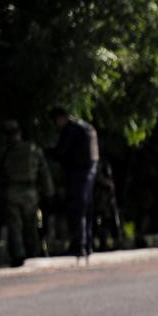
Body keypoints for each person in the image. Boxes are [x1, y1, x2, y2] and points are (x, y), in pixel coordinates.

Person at [0, 119, 53, 266]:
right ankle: (32, 253)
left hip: (12, 191)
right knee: (30, 224)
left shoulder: (5, 151)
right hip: (30, 192)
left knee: (15, 226)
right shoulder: (32, 149)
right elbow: (44, 173)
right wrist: (49, 193)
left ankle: (19, 255)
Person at [47, 107, 99, 258]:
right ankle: (87, 245)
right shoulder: (84, 127)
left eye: (56, 120)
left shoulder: (71, 130)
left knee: (77, 210)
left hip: (78, 175)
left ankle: (79, 246)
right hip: (89, 173)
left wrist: (48, 152)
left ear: (61, 117)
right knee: (85, 210)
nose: (56, 125)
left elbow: (61, 152)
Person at [93, 160, 123, 251]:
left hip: (107, 201)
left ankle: (110, 242)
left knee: (109, 221)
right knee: (102, 222)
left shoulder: (105, 165)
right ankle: (102, 242)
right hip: (101, 201)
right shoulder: (97, 167)